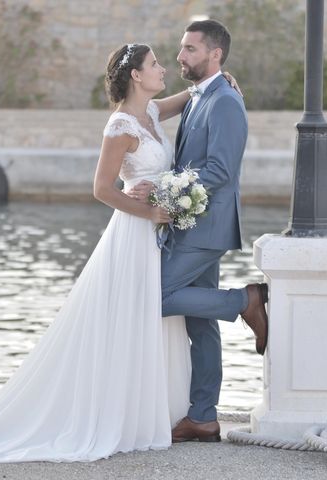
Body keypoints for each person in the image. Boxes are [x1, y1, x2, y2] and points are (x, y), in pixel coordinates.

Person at [0, 39, 241, 467]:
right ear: (136, 75)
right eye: (155, 64)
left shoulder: (149, 111)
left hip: (155, 234)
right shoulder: (120, 127)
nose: (164, 67)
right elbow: (101, 190)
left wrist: (216, 84)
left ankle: (152, 407)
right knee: (140, 308)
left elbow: (186, 97)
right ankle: (234, 312)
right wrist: (152, 212)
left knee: (147, 312)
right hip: (134, 230)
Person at [129, 19, 268, 444]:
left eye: (190, 49)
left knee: (158, 295)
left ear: (215, 54)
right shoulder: (199, 96)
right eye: (180, 48)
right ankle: (204, 417)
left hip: (207, 226)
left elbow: (220, 172)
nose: (180, 56)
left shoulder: (225, 101)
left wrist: (164, 193)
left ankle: (247, 300)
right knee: (199, 320)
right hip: (190, 222)